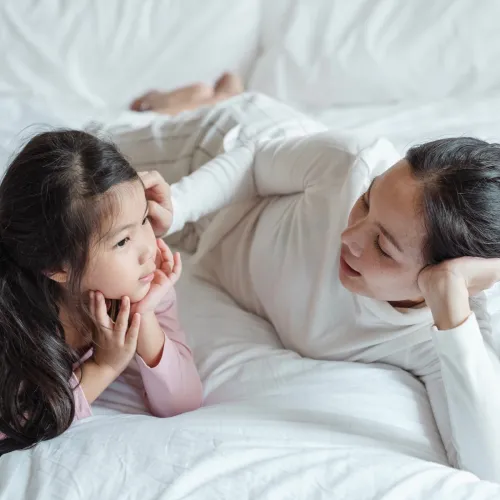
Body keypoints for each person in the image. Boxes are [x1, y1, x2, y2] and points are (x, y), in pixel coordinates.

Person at [123, 95, 500, 483]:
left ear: (439, 276)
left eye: (382, 247)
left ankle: (215, 90)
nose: (349, 236)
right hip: (213, 158)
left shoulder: (440, 335)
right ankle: (218, 96)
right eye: (365, 203)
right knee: (86, 156)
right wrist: (179, 205)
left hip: (212, 250)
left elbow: (489, 470)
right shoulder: (351, 162)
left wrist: (452, 300)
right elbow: (253, 162)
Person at [0, 130, 203, 455]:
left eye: (145, 220)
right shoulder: (18, 320)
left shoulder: (140, 282)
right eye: (123, 241)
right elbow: (17, 425)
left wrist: (143, 314)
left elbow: (183, 401)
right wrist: (103, 368)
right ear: (57, 268)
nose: (148, 250)